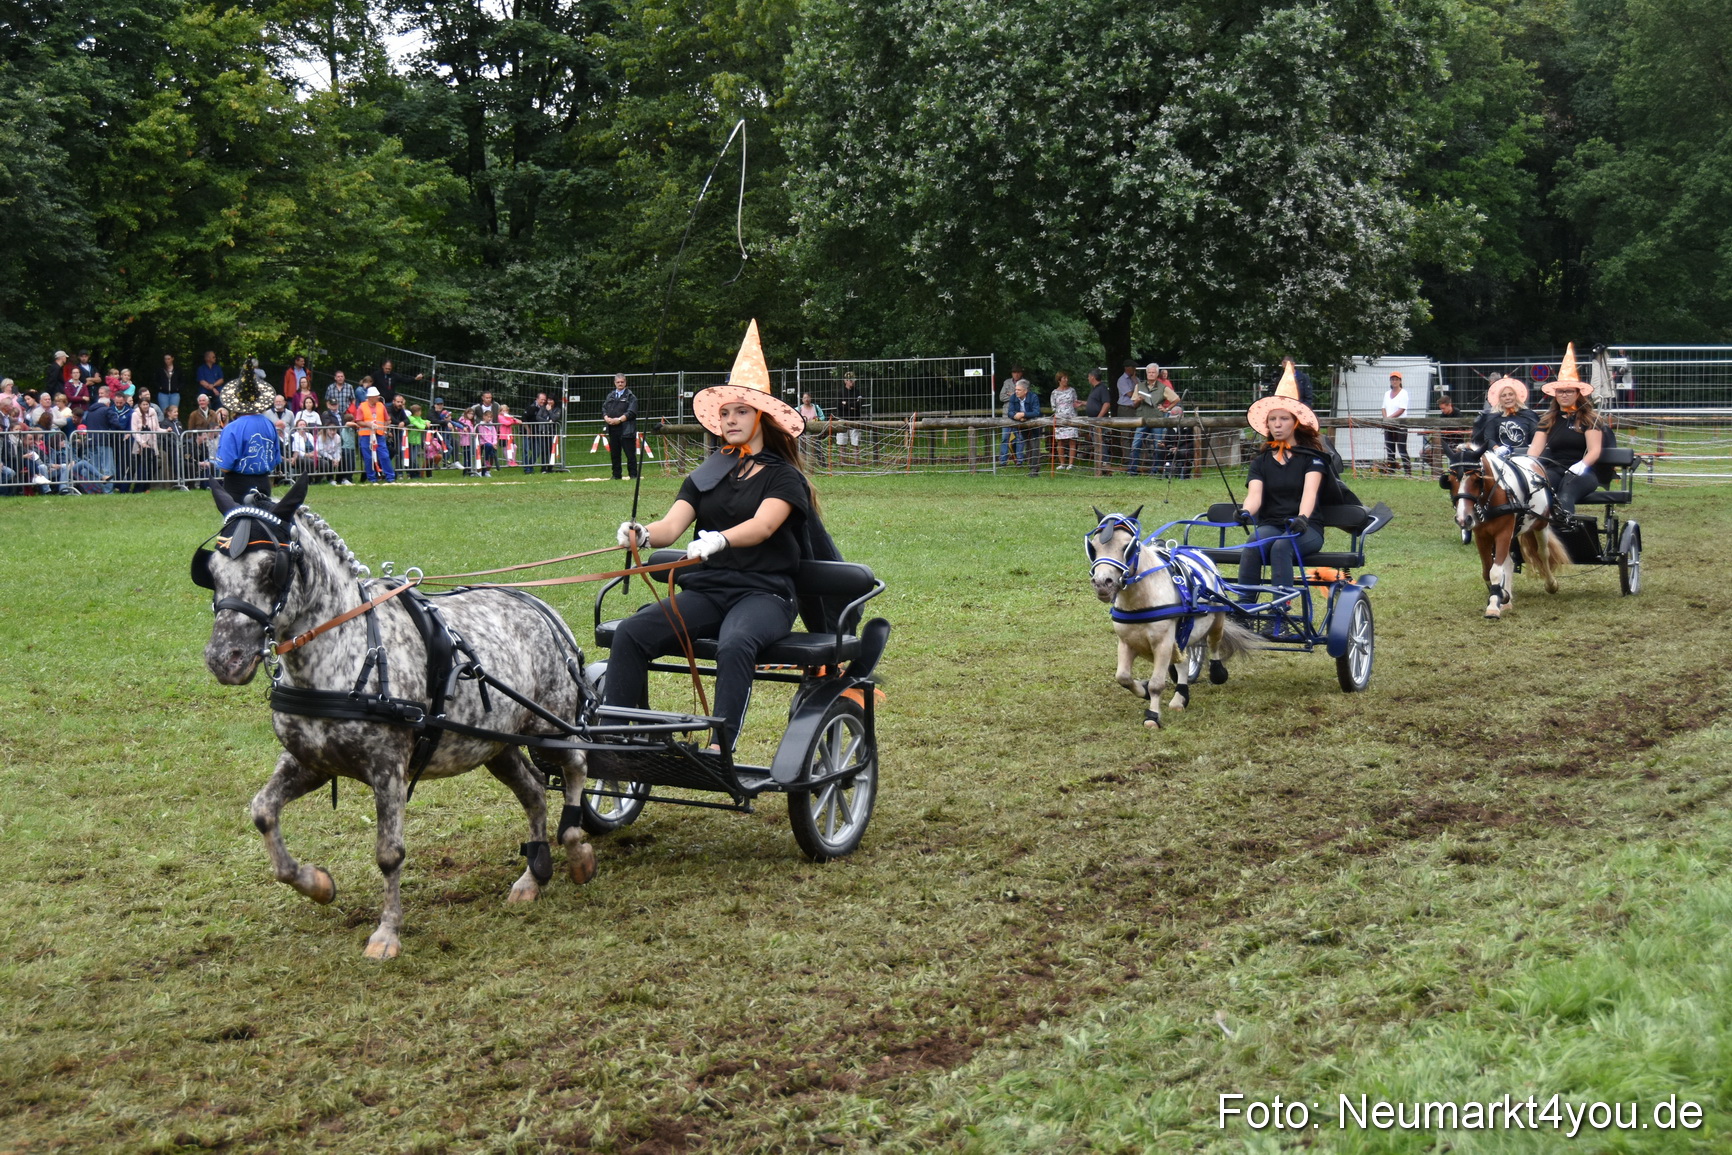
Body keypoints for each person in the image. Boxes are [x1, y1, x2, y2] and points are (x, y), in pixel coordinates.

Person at [608, 321, 815, 753]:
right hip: (710, 590)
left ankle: (721, 746)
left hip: (765, 595)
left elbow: (763, 526)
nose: (731, 419)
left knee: (735, 644)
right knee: (631, 632)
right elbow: (670, 528)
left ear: (761, 417)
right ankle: (615, 738)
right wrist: (643, 535)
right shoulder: (707, 474)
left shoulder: (785, 478)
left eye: (741, 411)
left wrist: (718, 540)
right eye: (725, 413)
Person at [1238, 364, 1330, 597]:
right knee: (1252, 544)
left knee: (1282, 546)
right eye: (1272, 419)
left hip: (1305, 528)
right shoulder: (1261, 462)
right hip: (1272, 525)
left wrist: (1302, 518)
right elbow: (1255, 496)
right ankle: (1245, 610)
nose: (1277, 424)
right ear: (1267, 424)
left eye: (1284, 419)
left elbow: (1310, 494)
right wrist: (1245, 512)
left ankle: (1282, 613)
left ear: (1295, 422)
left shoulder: (1313, 459)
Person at [1524, 344, 1609, 519]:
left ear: (1578, 393)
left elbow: (1594, 450)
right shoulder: (1548, 419)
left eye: (1569, 391)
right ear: (1555, 395)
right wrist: (1529, 464)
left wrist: (1582, 465)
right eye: (1560, 391)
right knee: (1538, 491)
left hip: (1583, 472)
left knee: (1565, 495)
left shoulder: (1589, 419)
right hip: (1555, 468)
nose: (1564, 395)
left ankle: (1566, 535)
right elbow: (1535, 449)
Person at [211, 361, 283, 499]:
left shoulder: (231, 428)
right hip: (264, 484)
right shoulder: (270, 425)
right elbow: (275, 460)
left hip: (237, 487)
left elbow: (225, 466)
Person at [1454, 376, 1536, 465]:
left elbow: (1536, 436)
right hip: (1501, 459)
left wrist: (1532, 449)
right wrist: (1497, 449)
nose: (1508, 398)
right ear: (1499, 399)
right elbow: (1489, 438)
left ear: (1516, 396)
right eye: (1503, 395)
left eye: (1510, 394)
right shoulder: (1493, 417)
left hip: (1525, 458)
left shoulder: (1528, 415)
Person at [601, 373, 639, 480]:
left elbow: (631, 412)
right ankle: (616, 475)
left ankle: (633, 475)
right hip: (612, 429)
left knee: (630, 454)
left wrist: (619, 420)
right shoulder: (610, 396)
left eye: (622, 382)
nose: (620, 384)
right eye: (618, 382)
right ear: (614, 383)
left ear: (625, 382)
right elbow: (604, 408)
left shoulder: (631, 397)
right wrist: (606, 418)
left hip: (626, 429)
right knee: (615, 453)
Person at [354, 385, 395, 482]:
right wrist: (368, 424)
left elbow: (387, 420)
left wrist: (384, 428)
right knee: (368, 458)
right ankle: (372, 478)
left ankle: (390, 477)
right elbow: (358, 421)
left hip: (379, 435)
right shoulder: (362, 407)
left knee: (384, 455)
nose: (378, 397)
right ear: (370, 397)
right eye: (376, 396)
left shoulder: (381, 406)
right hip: (365, 435)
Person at [128, 386, 166, 490]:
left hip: (152, 443)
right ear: (140, 405)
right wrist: (141, 443)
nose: (145, 406)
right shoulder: (135, 414)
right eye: (143, 404)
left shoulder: (153, 413)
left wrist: (166, 431)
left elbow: (156, 428)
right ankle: (138, 489)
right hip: (141, 445)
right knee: (142, 467)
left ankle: (146, 487)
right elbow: (134, 431)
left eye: (147, 404)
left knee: (153, 466)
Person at [1002, 376, 1040, 472]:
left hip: (1034, 425)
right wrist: (1015, 416)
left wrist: (1024, 414)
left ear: (1025, 391)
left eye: (1019, 390)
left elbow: (1036, 412)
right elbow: (1010, 412)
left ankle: (1034, 468)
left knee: (1034, 445)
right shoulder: (1013, 397)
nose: (1016, 392)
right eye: (1016, 390)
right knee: (1026, 443)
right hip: (1021, 425)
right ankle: (1029, 464)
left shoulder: (1033, 397)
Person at [999, 367, 1033, 466]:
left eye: (1018, 372)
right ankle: (1003, 461)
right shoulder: (1007, 382)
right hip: (1006, 415)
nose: (1016, 374)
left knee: (1020, 438)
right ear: (1012, 373)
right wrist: (1016, 395)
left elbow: (1025, 397)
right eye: (1014, 372)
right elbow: (1001, 397)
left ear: (1021, 373)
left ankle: (1019, 461)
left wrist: (1012, 395)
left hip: (1019, 414)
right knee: (1005, 438)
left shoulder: (1025, 383)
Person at [1083, 369, 1114, 473]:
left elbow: (1106, 404)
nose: (1088, 379)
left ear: (1092, 377)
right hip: (1093, 421)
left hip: (1098, 421)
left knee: (1101, 441)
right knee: (1096, 441)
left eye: (1088, 376)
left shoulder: (1102, 388)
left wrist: (1098, 418)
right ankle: (1100, 462)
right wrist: (1083, 403)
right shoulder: (1094, 389)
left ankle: (1105, 463)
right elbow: (1095, 402)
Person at [1381, 372, 1412, 475]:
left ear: (1400, 381)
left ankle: (1408, 472)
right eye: (1392, 379)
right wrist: (1386, 419)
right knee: (1390, 448)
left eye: (1396, 379)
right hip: (1388, 424)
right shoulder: (1386, 393)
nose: (1394, 381)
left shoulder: (1404, 393)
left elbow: (1402, 409)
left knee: (1402, 449)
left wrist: (1389, 419)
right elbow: (1383, 407)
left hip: (1400, 424)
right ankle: (1391, 471)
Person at [1049, 371, 1079, 470]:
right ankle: (1062, 464)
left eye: (1067, 378)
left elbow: (1075, 403)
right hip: (1059, 419)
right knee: (1060, 442)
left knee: (1072, 441)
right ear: (1059, 380)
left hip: (1071, 417)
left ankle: (1071, 464)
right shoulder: (1054, 392)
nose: (1066, 380)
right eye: (1064, 378)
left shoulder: (1072, 390)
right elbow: (1053, 406)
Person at [834, 371, 863, 465]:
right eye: (850, 380)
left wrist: (846, 404)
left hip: (855, 419)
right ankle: (842, 462)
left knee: (856, 441)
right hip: (843, 419)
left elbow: (859, 404)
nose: (852, 382)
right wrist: (852, 406)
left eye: (853, 380)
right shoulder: (840, 392)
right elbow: (839, 405)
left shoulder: (857, 391)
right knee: (842, 441)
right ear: (845, 381)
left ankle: (857, 462)